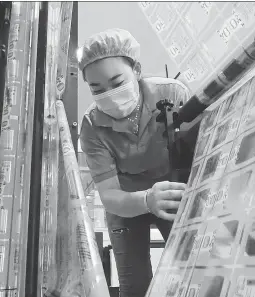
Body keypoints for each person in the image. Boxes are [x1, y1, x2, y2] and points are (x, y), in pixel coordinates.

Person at [78, 28, 191, 297]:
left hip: (172, 192)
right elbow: (109, 195)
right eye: (97, 89)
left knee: (191, 267)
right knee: (135, 285)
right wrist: (145, 200)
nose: (109, 94)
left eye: (117, 83)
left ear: (137, 70)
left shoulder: (172, 95)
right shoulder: (92, 125)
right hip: (126, 202)